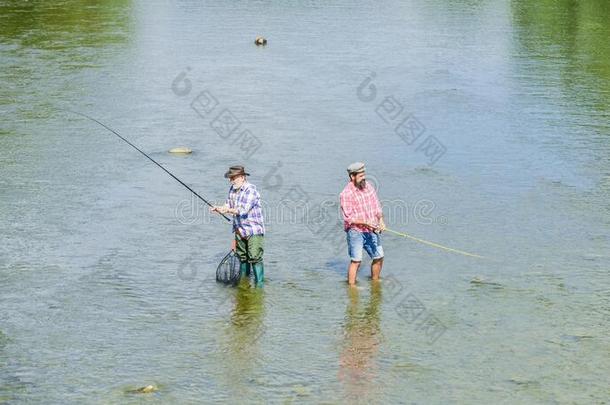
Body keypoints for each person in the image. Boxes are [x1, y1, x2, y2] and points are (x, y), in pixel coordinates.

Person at [210, 165, 265, 286]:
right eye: (230, 178)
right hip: (240, 230)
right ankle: (245, 283)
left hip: (253, 230)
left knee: (255, 257)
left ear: (242, 177)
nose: (231, 180)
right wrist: (219, 208)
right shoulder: (233, 189)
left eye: (233, 178)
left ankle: (259, 285)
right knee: (242, 257)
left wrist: (227, 210)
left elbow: (242, 210)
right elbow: (228, 205)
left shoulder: (251, 190)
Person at [339, 162, 385, 285]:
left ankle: (375, 282)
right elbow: (349, 218)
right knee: (356, 261)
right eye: (360, 176)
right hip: (355, 232)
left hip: (371, 230)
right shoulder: (346, 194)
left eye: (364, 175)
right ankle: (352, 287)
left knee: (379, 257)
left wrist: (381, 221)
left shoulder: (368, 186)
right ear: (352, 177)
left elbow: (376, 205)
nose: (363, 178)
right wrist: (366, 222)